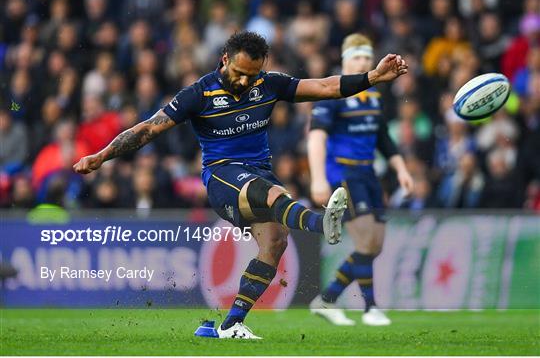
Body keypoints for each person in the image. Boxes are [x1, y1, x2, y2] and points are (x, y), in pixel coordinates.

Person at [73, 31, 408, 339]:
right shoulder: (200, 93)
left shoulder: (269, 84)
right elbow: (148, 129)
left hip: (259, 171)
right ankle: (322, 222)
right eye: (240, 73)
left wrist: (374, 77)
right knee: (277, 194)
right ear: (224, 60)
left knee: (275, 242)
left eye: (253, 74)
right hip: (222, 176)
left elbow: (324, 87)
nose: (246, 81)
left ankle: (232, 324)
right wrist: (102, 156)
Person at [308, 33, 413, 327]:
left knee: (375, 245)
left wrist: (401, 169)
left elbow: (383, 138)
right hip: (343, 174)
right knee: (366, 241)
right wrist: (318, 179)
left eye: (367, 57)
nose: (363, 62)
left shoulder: (374, 96)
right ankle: (370, 307)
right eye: (357, 57)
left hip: (368, 173)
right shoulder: (333, 93)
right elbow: (317, 135)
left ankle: (327, 300)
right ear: (345, 61)